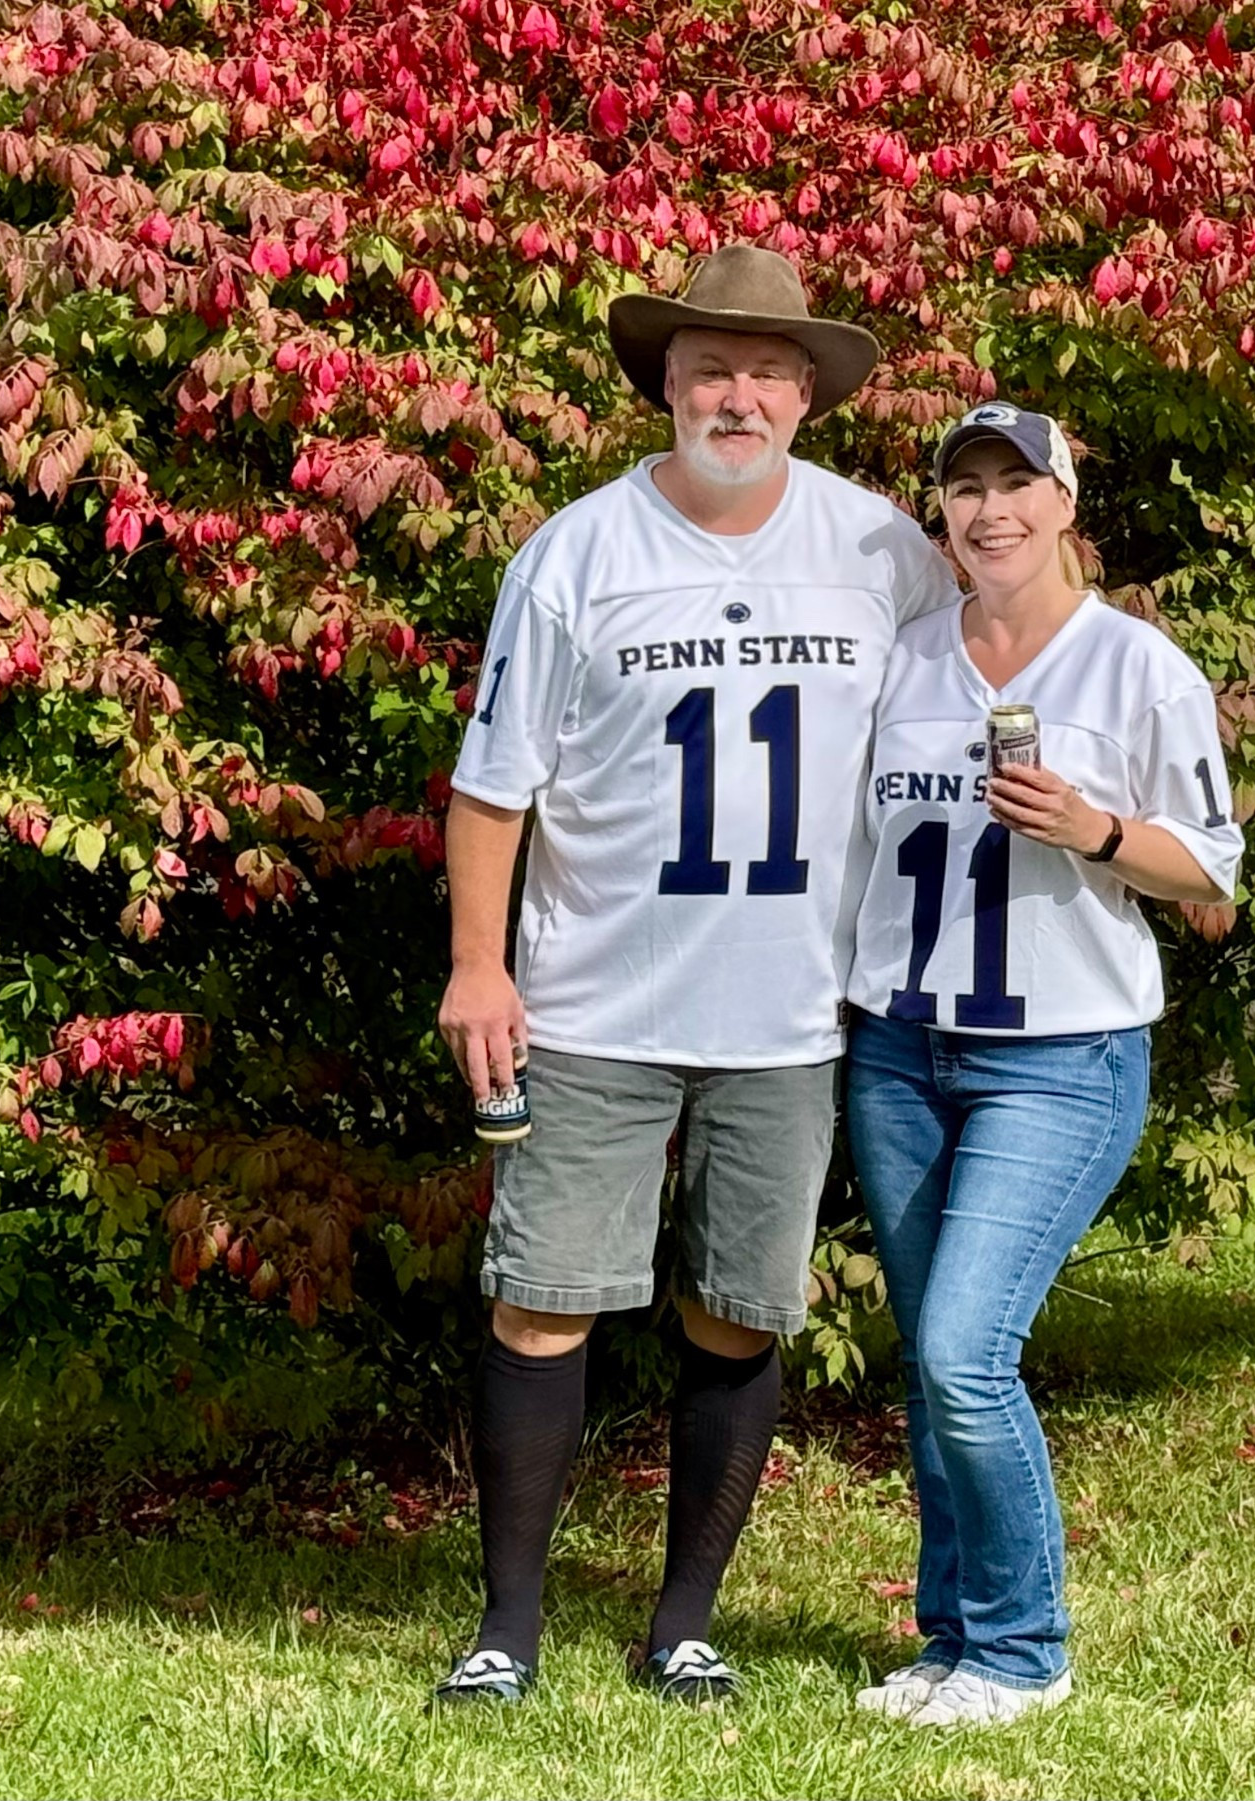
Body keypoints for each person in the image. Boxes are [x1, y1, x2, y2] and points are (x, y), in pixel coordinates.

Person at [432, 246, 961, 1705]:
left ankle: (683, 1622)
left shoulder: (881, 553)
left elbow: (966, 712)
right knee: (544, 1301)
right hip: (593, 1000)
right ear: (666, 385)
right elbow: (493, 790)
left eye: (768, 372)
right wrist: (479, 967)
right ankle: (508, 1626)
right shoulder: (576, 553)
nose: (739, 395)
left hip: (787, 1014)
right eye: (711, 369)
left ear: (808, 395)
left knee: (740, 1310)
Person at [842, 403, 1245, 1727]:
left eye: (1019, 484)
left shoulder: (1138, 672)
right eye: (965, 487)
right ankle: (951, 1637)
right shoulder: (900, 659)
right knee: (928, 1353)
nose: (990, 510)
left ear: (1068, 505)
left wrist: (1094, 824)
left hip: (1058, 1056)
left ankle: (1023, 1650)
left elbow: (1215, 883)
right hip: (900, 1045)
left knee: (967, 1348)